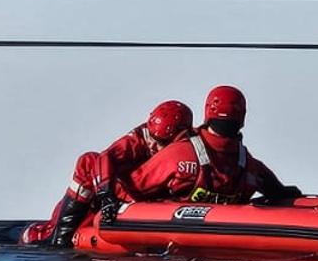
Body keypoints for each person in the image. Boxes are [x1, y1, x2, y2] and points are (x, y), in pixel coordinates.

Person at [22, 100, 191, 247]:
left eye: (161, 142)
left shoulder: (185, 151)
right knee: (88, 162)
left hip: (147, 201)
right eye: (152, 137)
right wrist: (107, 195)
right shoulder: (136, 141)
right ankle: (58, 237)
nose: (154, 145)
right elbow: (105, 157)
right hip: (112, 200)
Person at [126, 85, 301, 204]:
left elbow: (131, 187)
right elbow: (275, 189)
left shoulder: (178, 155)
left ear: (208, 112)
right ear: (242, 117)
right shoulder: (248, 165)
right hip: (181, 240)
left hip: (178, 247)